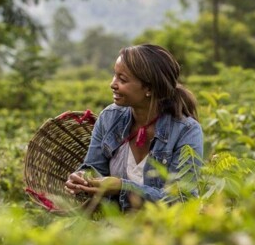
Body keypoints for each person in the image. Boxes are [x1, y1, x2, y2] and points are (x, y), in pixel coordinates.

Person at [65, 44, 204, 211]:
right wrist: (82, 179)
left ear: (149, 88)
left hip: (166, 230)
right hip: (116, 228)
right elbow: (94, 168)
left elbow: (182, 199)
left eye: (122, 79)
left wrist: (123, 187)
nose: (113, 84)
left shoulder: (186, 131)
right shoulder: (109, 117)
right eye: (114, 76)